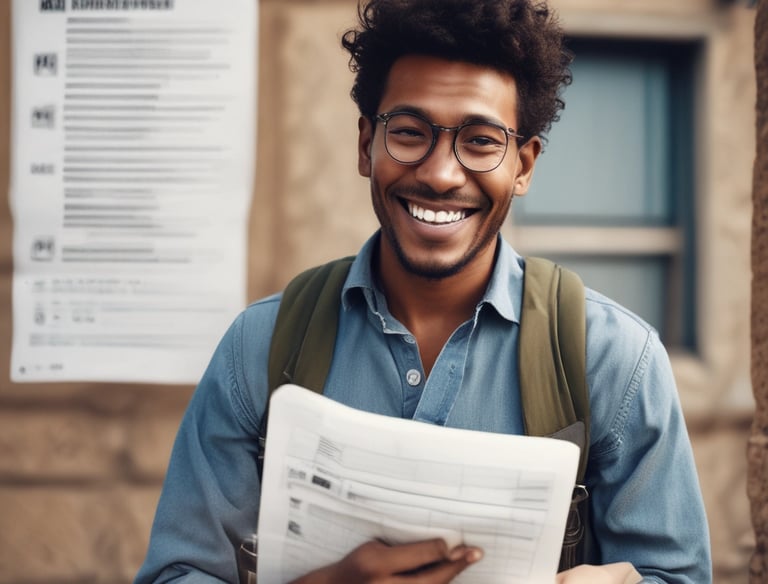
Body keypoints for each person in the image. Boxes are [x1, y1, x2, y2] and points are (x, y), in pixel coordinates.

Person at [135, 0, 712, 582]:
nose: (440, 174)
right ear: (366, 145)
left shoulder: (613, 358)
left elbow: (677, 574)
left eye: (482, 141)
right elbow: (178, 572)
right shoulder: (258, 347)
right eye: (409, 133)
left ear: (525, 165)